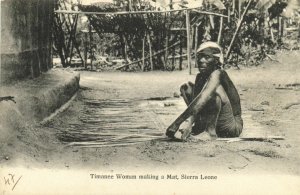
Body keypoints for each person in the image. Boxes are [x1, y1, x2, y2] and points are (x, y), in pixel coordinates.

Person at [166, 41, 243, 140]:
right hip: (216, 122)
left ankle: (210, 132)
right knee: (186, 89)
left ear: (216, 61)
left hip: (232, 126)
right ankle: (201, 127)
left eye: (207, 57)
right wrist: (189, 126)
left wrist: (176, 123)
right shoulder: (200, 77)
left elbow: (204, 98)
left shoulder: (219, 73)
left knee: (213, 93)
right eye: (199, 57)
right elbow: (197, 102)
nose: (201, 60)